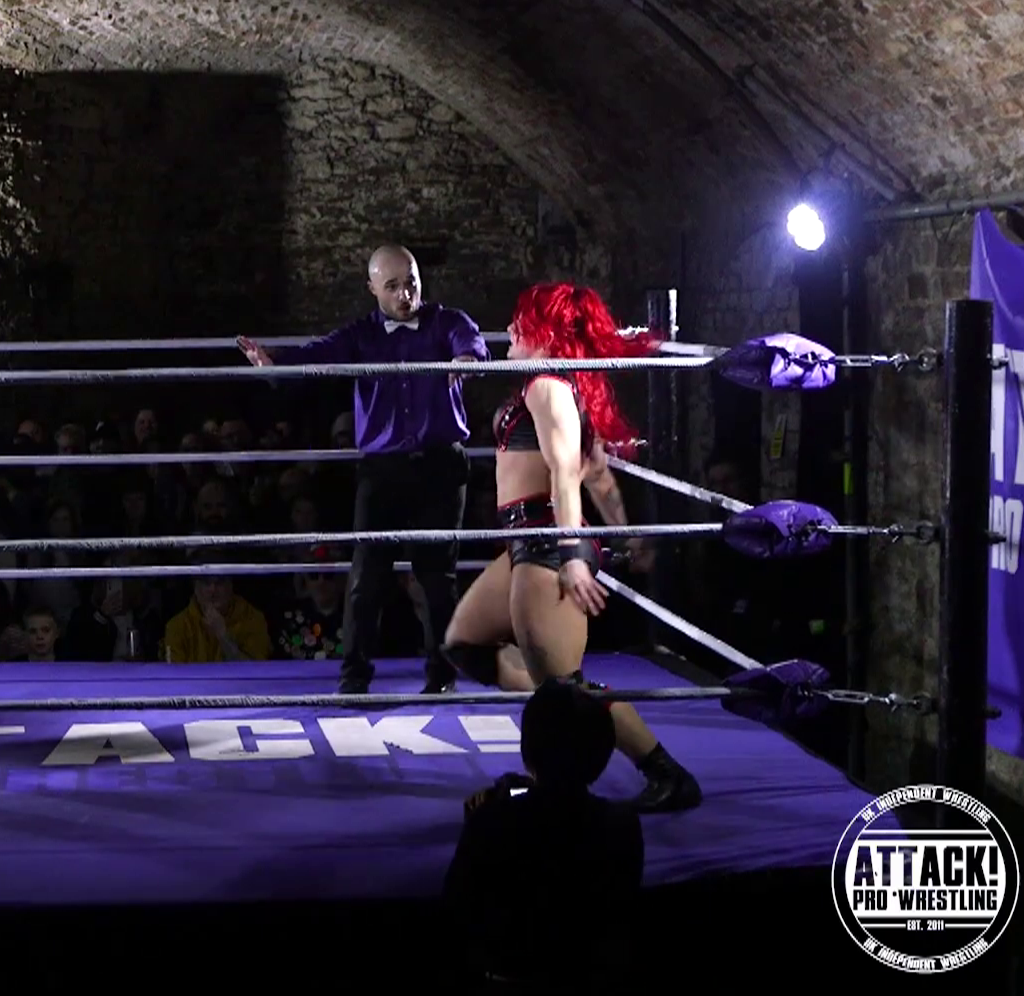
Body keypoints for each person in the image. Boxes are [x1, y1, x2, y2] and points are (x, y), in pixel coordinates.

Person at [441, 282, 701, 812]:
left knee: (569, 689)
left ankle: (665, 772)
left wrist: (573, 553)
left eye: (520, 323)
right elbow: (598, 475)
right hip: (528, 540)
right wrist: (627, 533)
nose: (509, 330)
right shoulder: (560, 387)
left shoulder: (547, 387)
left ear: (545, 332)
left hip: (546, 543)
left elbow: (565, 472)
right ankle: (553, 705)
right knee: (465, 644)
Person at [238, 245, 486, 694]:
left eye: (411, 283)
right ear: (372, 288)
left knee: (437, 577)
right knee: (367, 577)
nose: (405, 295)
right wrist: (275, 362)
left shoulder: (447, 321)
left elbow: (471, 343)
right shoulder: (360, 335)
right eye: (393, 286)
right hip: (383, 469)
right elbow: (319, 354)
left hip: (440, 467)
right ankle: (354, 677)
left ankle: (442, 675)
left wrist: (466, 361)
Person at [442, 679, 644, 988]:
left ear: (528, 749)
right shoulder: (623, 825)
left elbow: (458, 909)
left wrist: (477, 825)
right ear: (602, 754)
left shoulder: (494, 821)